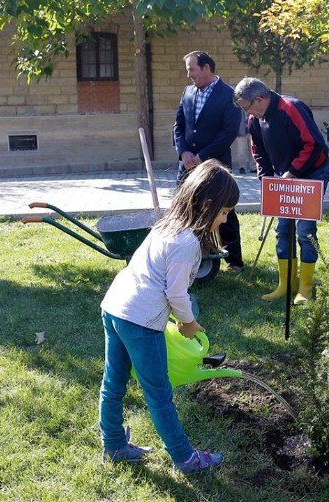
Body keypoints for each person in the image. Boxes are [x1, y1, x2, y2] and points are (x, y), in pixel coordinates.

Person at [99, 161, 238, 473]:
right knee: (159, 393)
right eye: (225, 211)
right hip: (139, 320)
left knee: (114, 381)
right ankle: (185, 457)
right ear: (206, 204)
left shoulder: (167, 224)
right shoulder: (187, 242)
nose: (226, 219)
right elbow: (176, 293)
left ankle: (114, 444)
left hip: (115, 307)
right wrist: (188, 321)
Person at [233, 77, 329, 304]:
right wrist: (267, 180)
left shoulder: (291, 107)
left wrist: (294, 171)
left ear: (259, 99)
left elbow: (314, 144)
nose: (246, 113)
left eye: (246, 107)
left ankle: (305, 289)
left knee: (305, 231)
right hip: (285, 177)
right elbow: (258, 152)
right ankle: (286, 284)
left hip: (312, 173)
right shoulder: (253, 120)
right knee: (282, 229)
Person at [173, 50, 245, 272]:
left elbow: (228, 133)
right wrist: (183, 152)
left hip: (216, 166)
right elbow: (179, 126)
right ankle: (187, 256)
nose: (189, 75)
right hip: (186, 165)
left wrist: (201, 156)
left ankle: (234, 260)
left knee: (224, 210)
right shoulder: (187, 92)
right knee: (184, 208)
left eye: (192, 69)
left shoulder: (228, 96)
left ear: (206, 68)